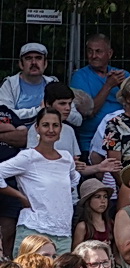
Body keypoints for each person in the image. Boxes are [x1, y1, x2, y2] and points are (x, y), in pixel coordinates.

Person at [0, 106, 79, 251]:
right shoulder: (28, 157)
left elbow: (74, 179)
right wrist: (20, 196)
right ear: (37, 128)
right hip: (33, 230)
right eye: (45, 125)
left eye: (55, 125)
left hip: (63, 232)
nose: (51, 130)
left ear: (61, 129)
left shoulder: (67, 158)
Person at [70, 33, 128, 154]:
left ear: (110, 53)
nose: (93, 56)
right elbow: (88, 112)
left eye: (98, 51)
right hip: (90, 142)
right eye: (90, 51)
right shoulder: (80, 76)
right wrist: (108, 85)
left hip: (122, 139)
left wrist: (123, 89)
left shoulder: (122, 75)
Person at [73, 183, 113, 252]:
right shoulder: (82, 226)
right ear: (88, 200)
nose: (103, 201)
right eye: (97, 197)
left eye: (105, 197)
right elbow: (76, 253)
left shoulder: (110, 223)